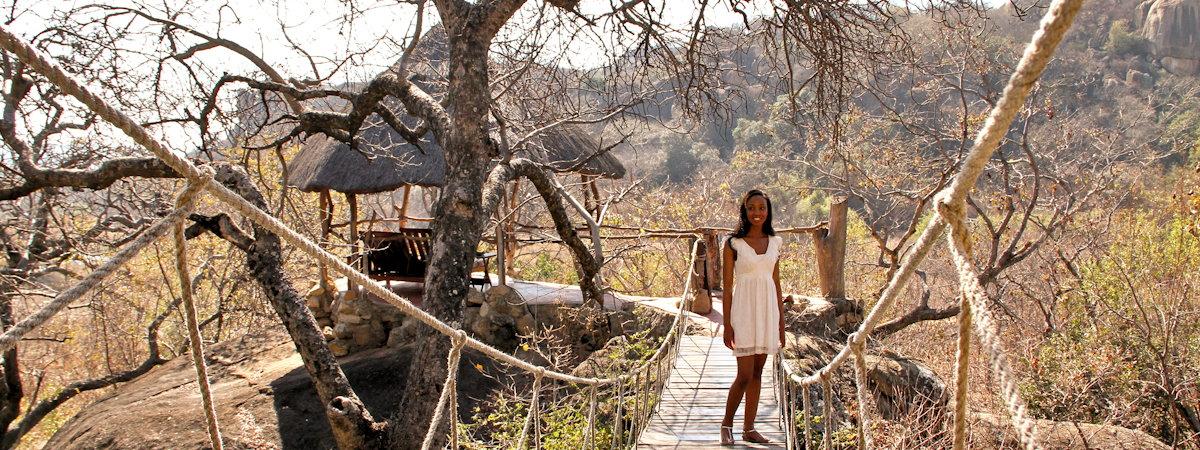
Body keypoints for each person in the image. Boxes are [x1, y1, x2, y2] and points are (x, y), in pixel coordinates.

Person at [720, 189, 786, 446]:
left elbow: (777, 283)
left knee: (759, 372)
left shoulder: (775, 242)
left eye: (761, 208)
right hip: (744, 312)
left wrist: (781, 322)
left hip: (767, 310)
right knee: (744, 374)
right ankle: (726, 425)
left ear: (768, 211)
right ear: (744, 211)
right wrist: (727, 325)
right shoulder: (733, 244)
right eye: (751, 208)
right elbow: (726, 287)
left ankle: (749, 428)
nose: (756, 213)